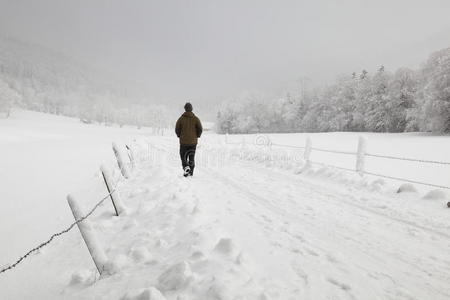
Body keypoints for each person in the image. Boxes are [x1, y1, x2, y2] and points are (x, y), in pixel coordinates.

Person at [175, 102, 203, 177]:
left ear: (185, 109)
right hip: (193, 143)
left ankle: (186, 167)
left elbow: (177, 129)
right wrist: (197, 136)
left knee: (183, 156)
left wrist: (179, 135)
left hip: (183, 142)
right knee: (191, 156)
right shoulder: (196, 119)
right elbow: (200, 129)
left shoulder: (181, 119)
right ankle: (191, 172)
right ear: (191, 109)